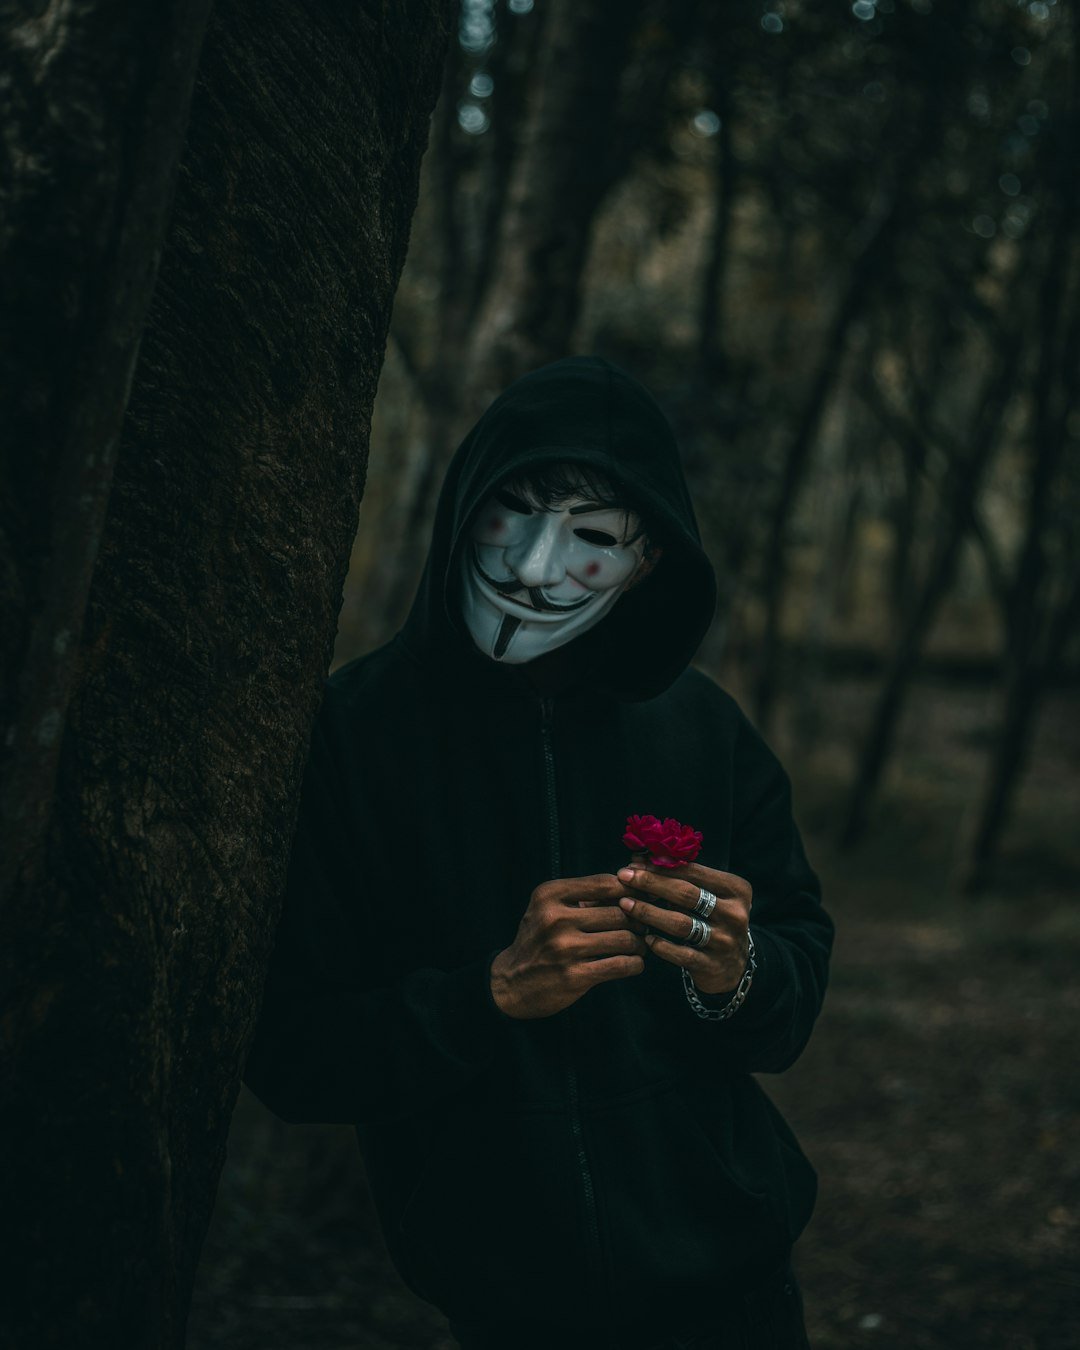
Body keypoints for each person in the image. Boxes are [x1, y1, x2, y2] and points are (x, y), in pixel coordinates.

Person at [245, 356, 833, 1350]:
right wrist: (489, 996)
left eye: (595, 537)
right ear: (464, 504)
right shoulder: (349, 737)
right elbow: (294, 1055)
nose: (531, 566)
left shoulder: (704, 731)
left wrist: (738, 974)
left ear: (649, 561)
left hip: (736, 1295)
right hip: (507, 1312)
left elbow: (790, 981)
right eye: (513, 512)